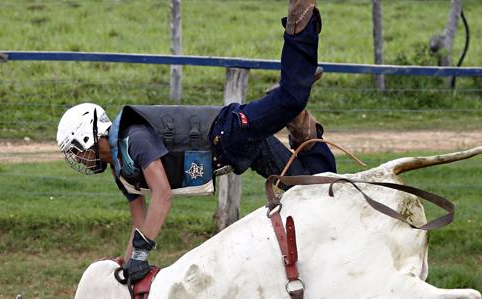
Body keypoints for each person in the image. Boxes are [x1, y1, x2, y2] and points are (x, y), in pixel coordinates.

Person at [56, 0, 336, 283]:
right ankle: (302, 126)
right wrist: (128, 261)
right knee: (316, 185)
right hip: (235, 151)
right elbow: (140, 223)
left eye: (76, 151)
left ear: (87, 137)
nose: (77, 159)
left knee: (291, 97)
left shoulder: (134, 138)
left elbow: (162, 195)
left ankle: (300, 23)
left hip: (226, 131)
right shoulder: (121, 170)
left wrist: (142, 255)